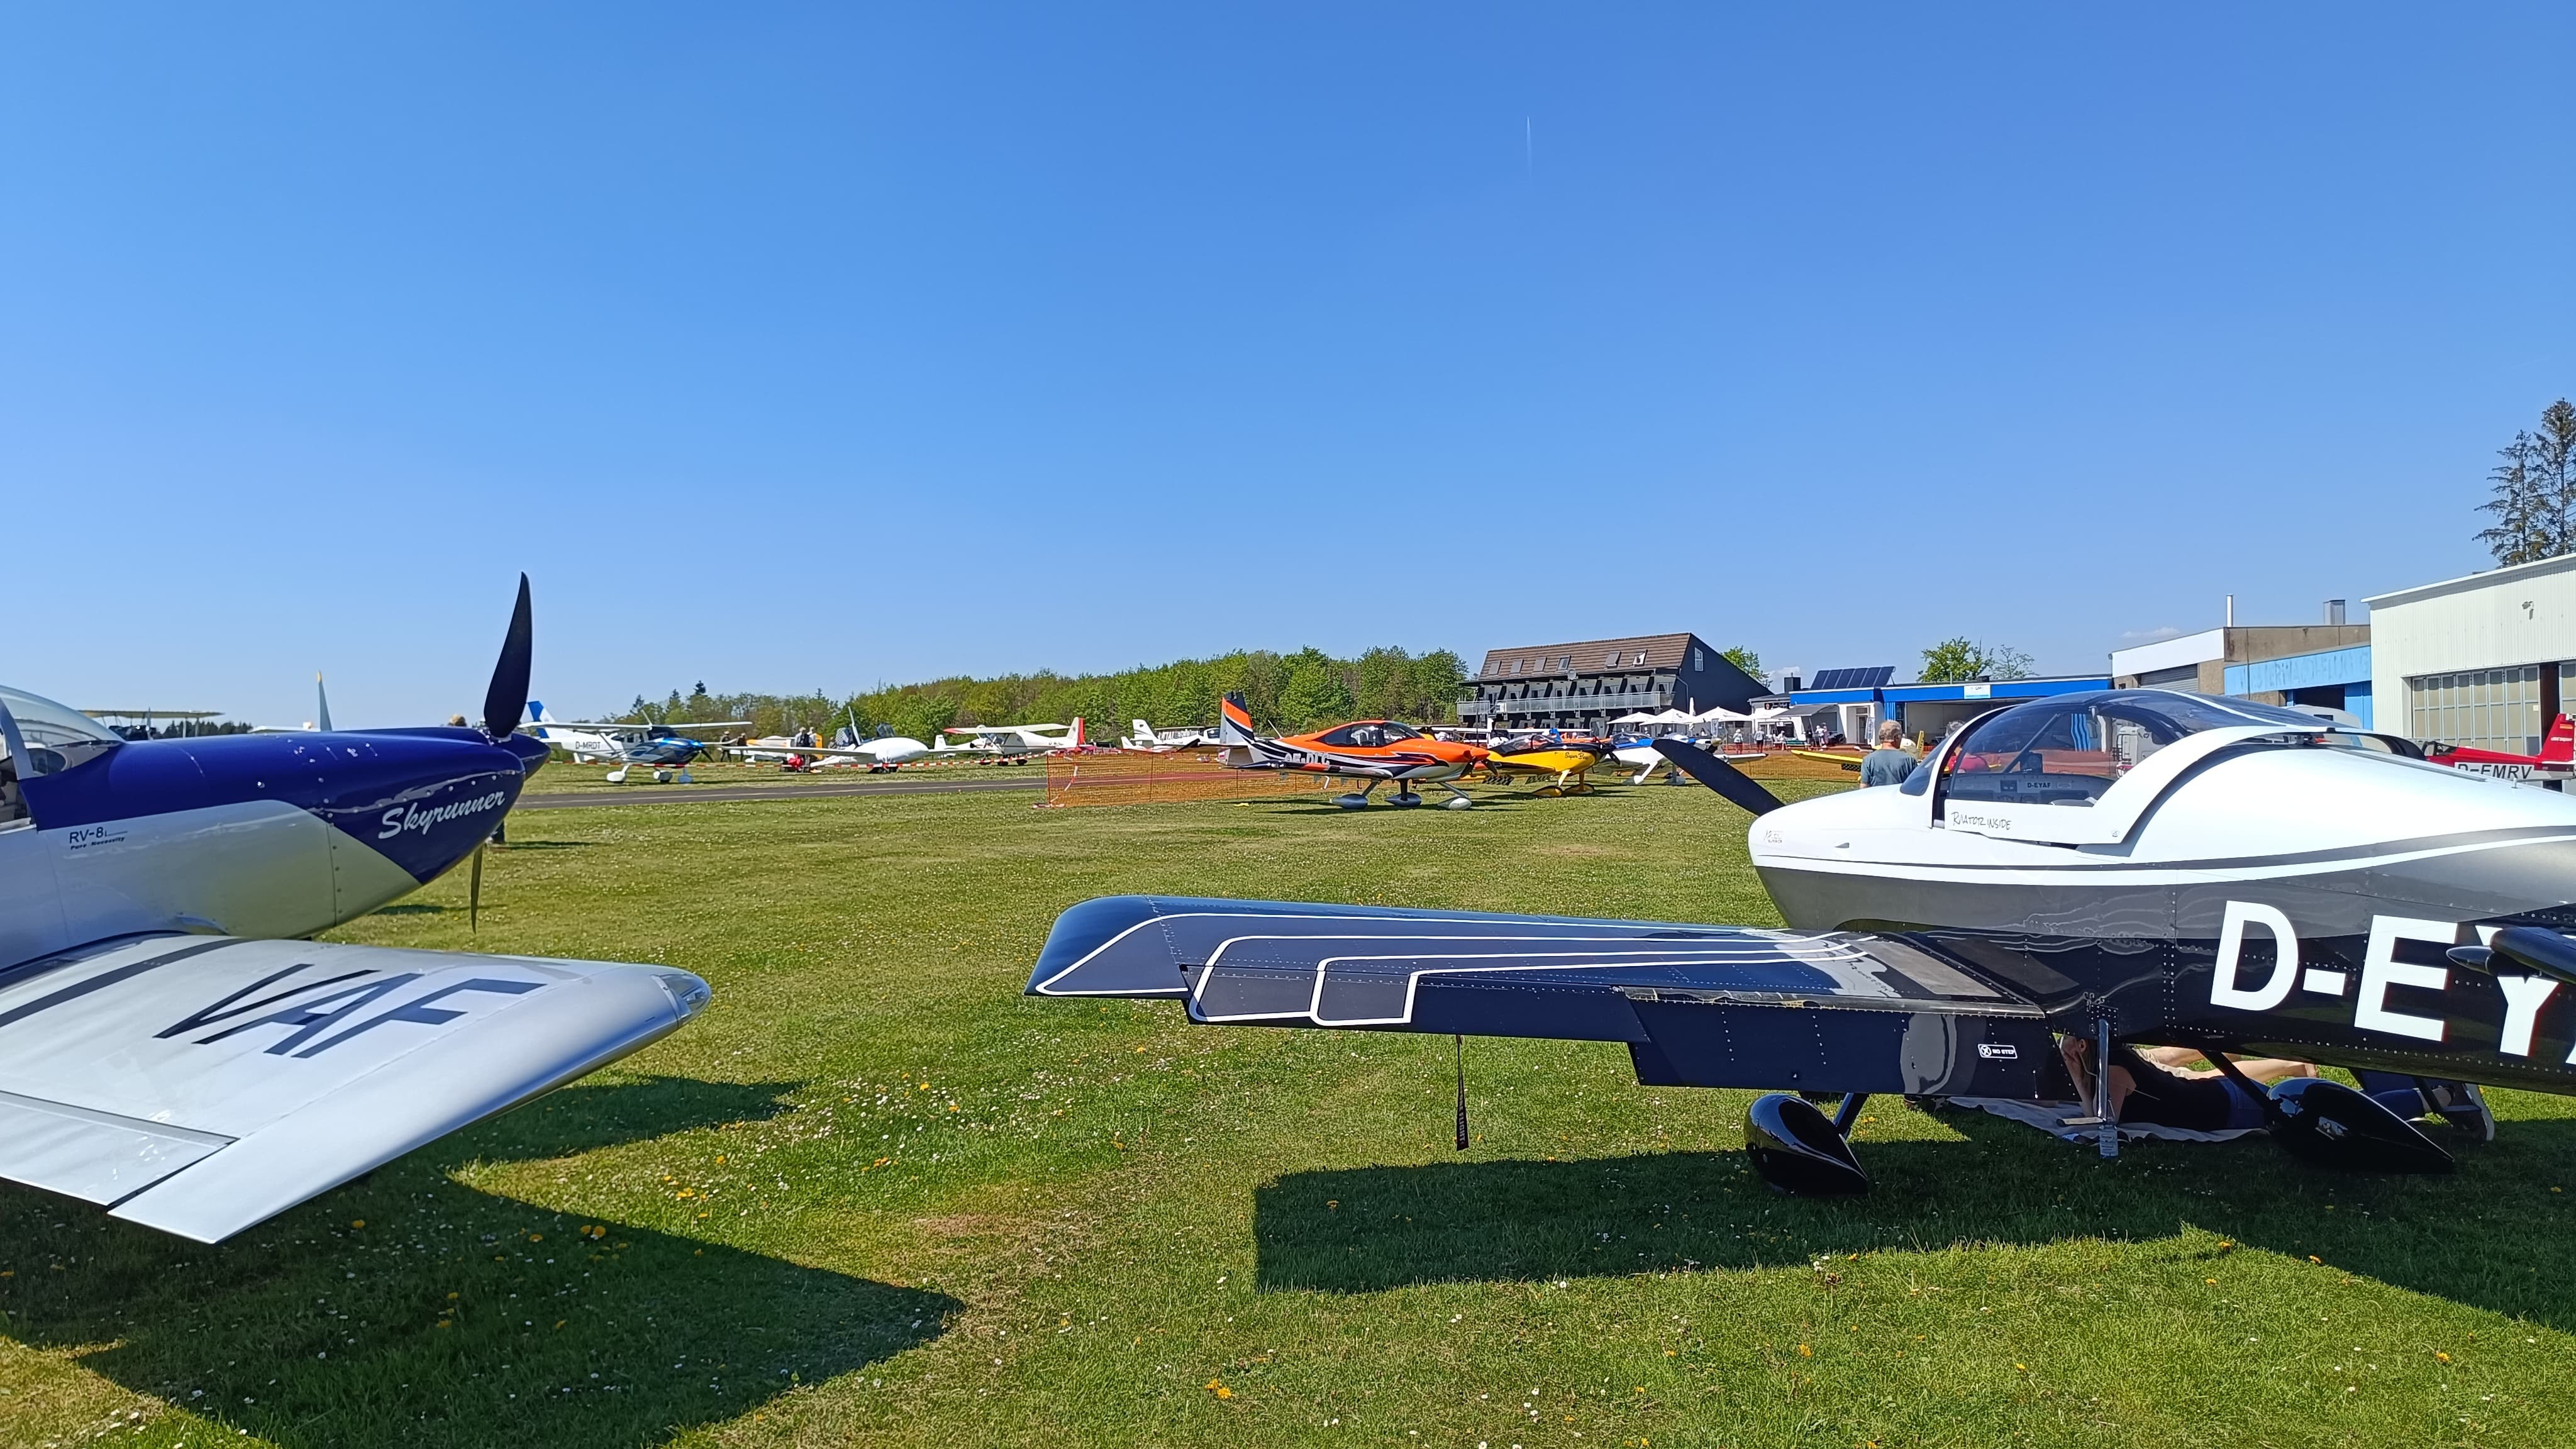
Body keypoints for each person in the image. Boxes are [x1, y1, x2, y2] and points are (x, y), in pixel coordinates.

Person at [1859, 719, 1917, 787]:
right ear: (1897, 737)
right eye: (1901, 735)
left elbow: (1864, 787)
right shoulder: (1909, 760)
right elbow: (1915, 786)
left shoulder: (1868, 760)